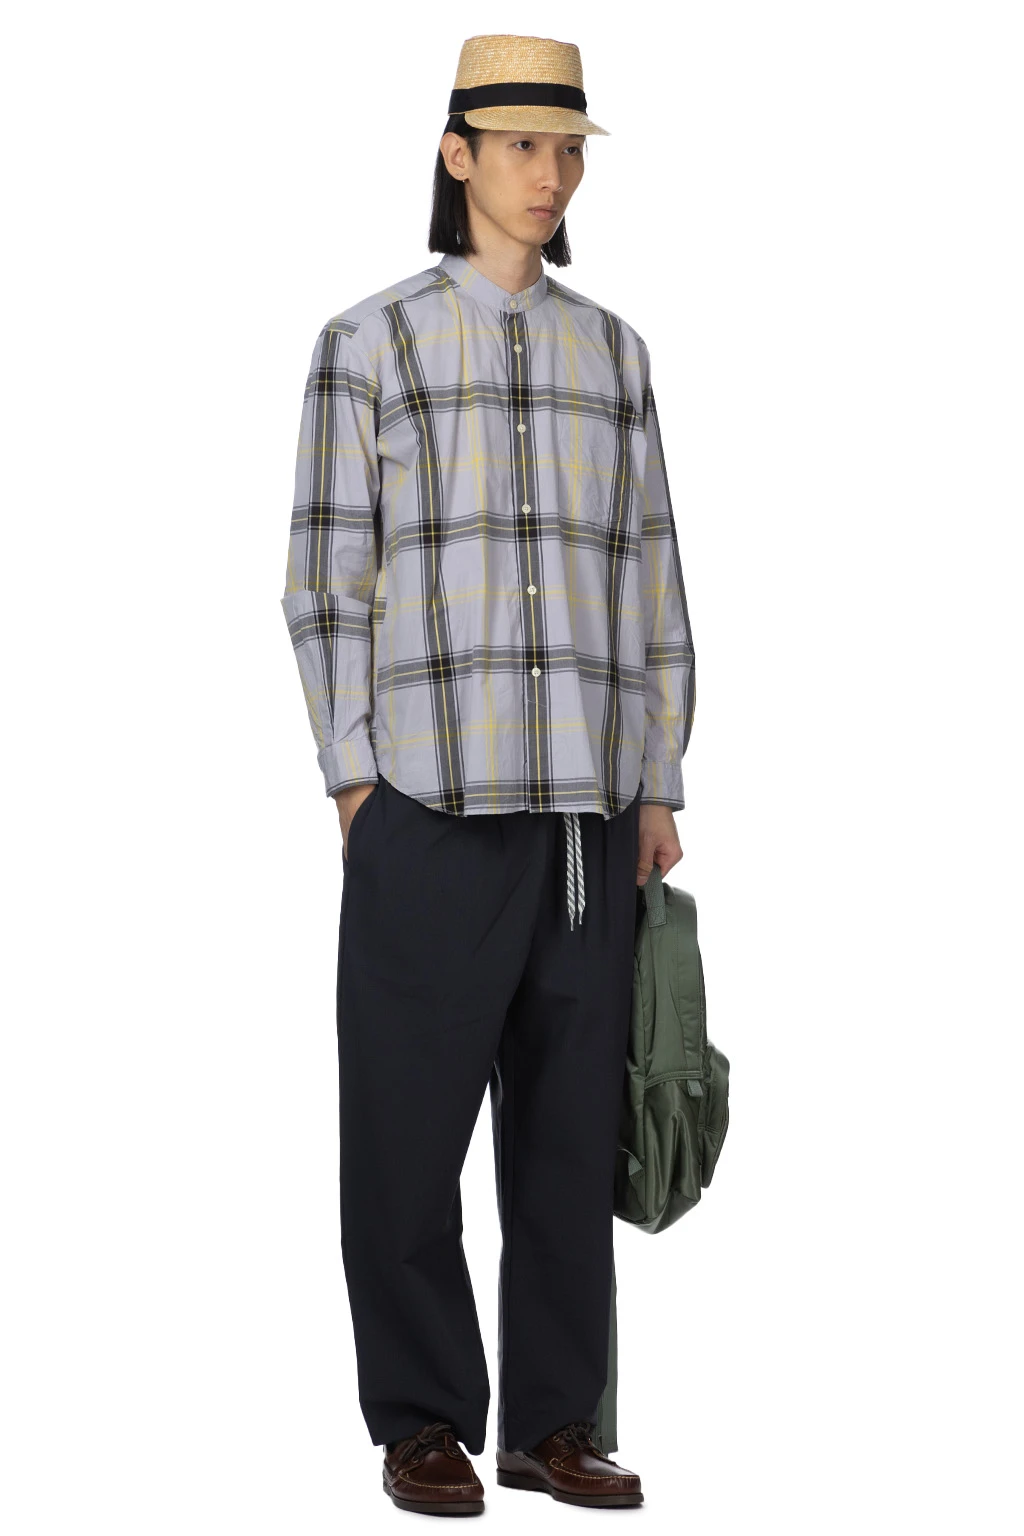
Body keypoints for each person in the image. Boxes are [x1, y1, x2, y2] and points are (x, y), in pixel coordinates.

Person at [280, 32, 695, 1516]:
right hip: (428, 806)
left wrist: (656, 781)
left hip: (586, 810)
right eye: (523, 144)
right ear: (458, 154)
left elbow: (651, 577)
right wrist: (355, 783)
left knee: (571, 1133)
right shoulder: (369, 344)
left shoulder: (614, 355)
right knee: (404, 1131)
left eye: (568, 147)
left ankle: (553, 1424)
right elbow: (326, 581)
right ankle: (422, 1422)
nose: (552, 172)